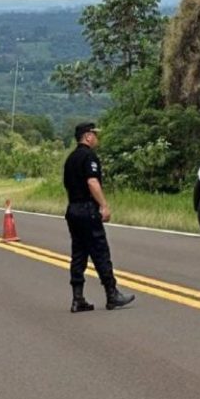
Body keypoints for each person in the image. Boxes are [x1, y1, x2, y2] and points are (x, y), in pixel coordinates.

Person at [63, 122, 134, 312]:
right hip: (87, 209)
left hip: (73, 209)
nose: (97, 137)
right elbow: (92, 182)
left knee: (79, 253)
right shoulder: (89, 156)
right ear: (87, 136)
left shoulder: (70, 159)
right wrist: (103, 205)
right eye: (94, 134)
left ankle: (77, 298)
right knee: (100, 250)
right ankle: (112, 294)